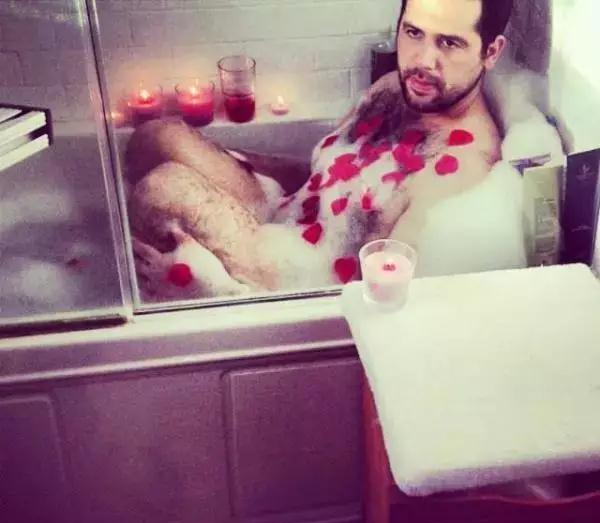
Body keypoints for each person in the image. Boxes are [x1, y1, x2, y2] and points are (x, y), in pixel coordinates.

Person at [131, 0, 513, 301]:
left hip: (296, 277)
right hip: (286, 214)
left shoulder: (462, 167)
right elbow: (323, 172)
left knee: (162, 188)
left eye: (449, 42)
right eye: (414, 32)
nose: (423, 61)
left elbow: (382, 301)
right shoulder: (394, 89)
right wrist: (243, 163)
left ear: (491, 52)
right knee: (158, 136)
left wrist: (216, 288)